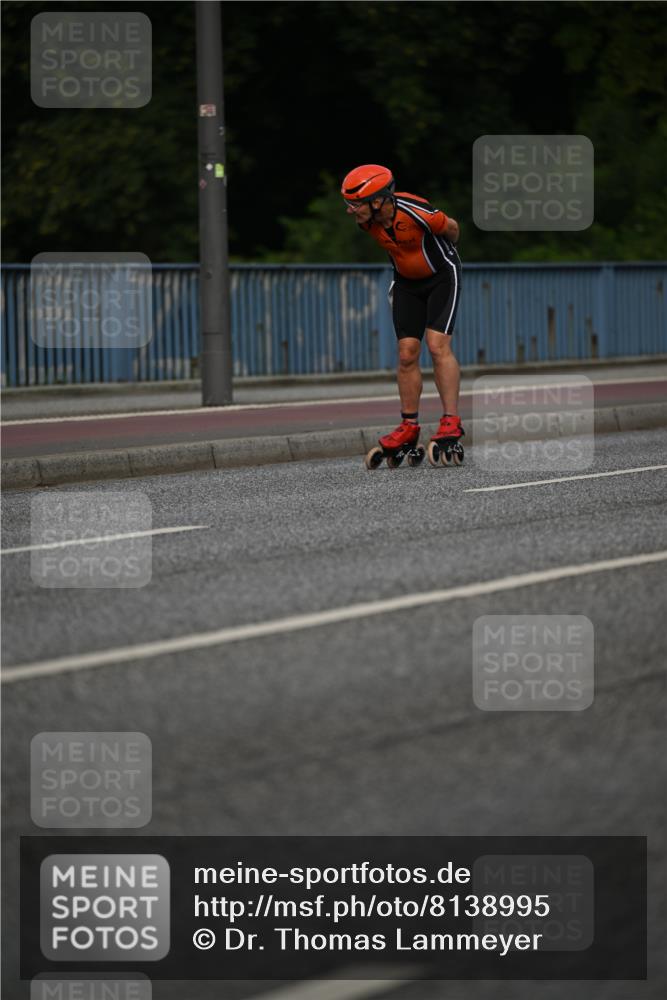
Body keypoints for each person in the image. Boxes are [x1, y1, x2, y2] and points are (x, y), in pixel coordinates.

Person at [341, 163, 463, 462]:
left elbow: (453, 230)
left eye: (355, 204)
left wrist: (442, 248)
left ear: (378, 200)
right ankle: (409, 426)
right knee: (407, 353)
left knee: (436, 346)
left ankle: (450, 421)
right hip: (406, 283)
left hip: (442, 277)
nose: (350, 211)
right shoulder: (366, 221)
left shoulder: (416, 210)